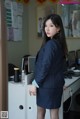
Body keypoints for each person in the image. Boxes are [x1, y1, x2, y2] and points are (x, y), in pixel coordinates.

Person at [29, 14, 68, 119]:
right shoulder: (59, 44)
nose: (47, 29)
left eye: (51, 25)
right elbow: (59, 66)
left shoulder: (51, 44)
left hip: (46, 85)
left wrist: (35, 83)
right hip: (55, 85)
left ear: (58, 28)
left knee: (40, 113)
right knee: (54, 113)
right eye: (46, 26)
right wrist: (61, 82)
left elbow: (45, 66)